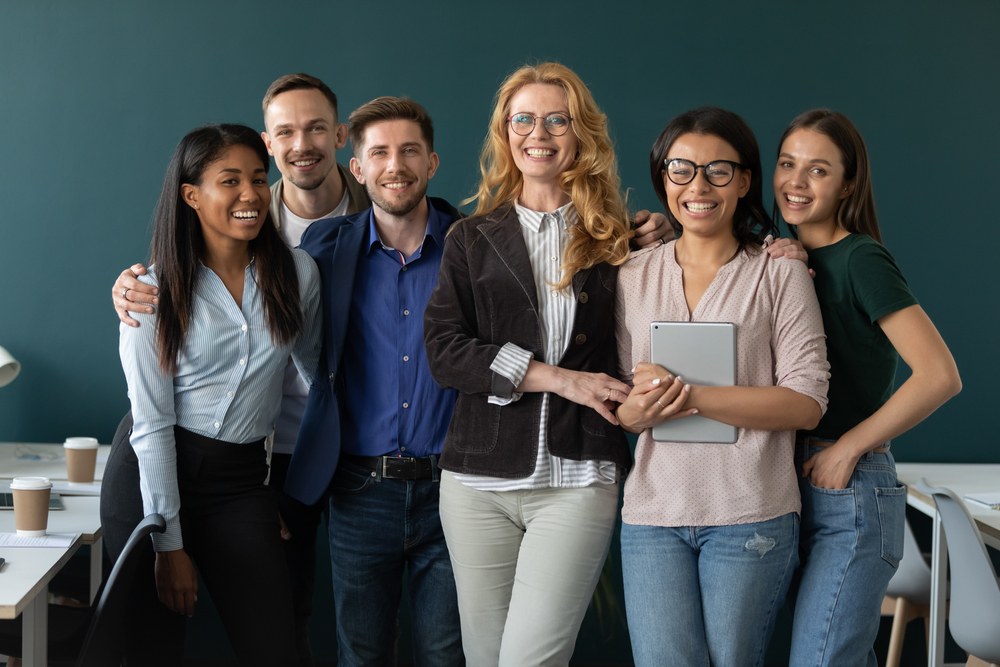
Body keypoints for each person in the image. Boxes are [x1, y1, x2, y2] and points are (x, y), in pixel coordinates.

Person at [110, 73, 370, 665]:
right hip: (153, 472)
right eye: (229, 181)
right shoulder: (152, 291)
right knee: (152, 648)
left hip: (239, 483)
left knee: (275, 645)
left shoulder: (297, 272)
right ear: (191, 195)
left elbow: (318, 375)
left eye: (257, 178)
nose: (250, 192)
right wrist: (168, 544)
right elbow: (152, 427)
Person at [423, 62, 638, 667]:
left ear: (581, 134)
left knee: (528, 661)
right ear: (505, 131)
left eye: (556, 119)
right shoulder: (471, 237)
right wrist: (559, 378)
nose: (537, 132)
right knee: (486, 657)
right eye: (523, 118)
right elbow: (444, 349)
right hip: (476, 481)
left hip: (576, 481)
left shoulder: (617, 239)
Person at [613, 106, 830, 667]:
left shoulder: (778, 273)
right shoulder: (632, 275)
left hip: (750, 511)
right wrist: (635, 413)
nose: (698, 186)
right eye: (681, 169)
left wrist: (688, 394)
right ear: (664, 178)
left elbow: (806, 403)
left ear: (745, 181)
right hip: (652, 516)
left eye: (718, 170)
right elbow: (621, 405)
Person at [770, 109, 961, 667]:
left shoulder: (861, 258)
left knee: (823, 659)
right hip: (784, 485)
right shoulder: (785, 258)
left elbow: (939, 374)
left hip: (848, 486)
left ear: (848, 183)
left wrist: (850, 447)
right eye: (787, 164)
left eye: (818, 170)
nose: (796, 183)